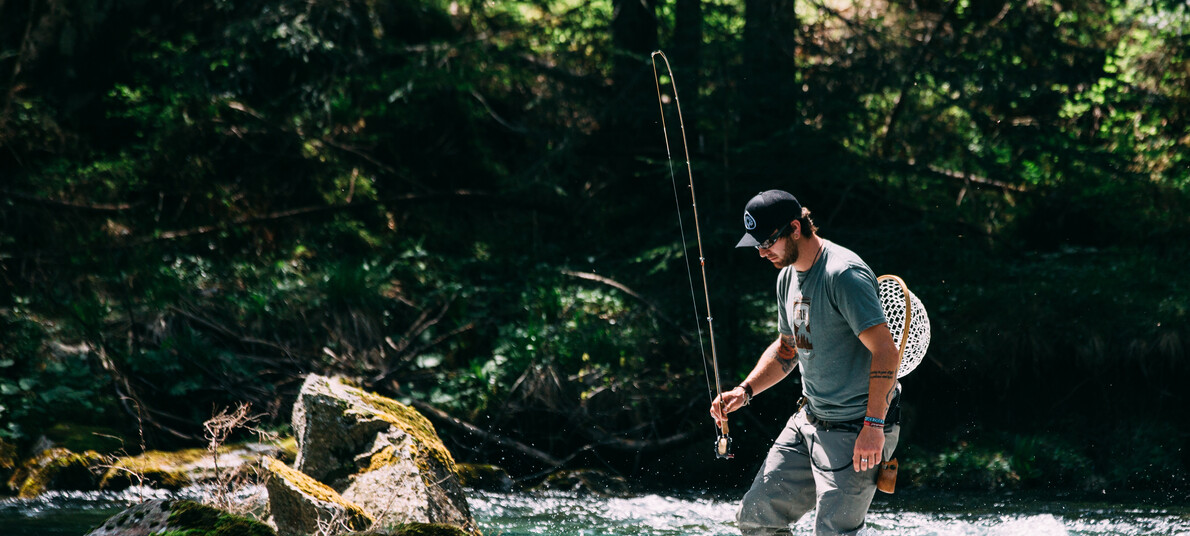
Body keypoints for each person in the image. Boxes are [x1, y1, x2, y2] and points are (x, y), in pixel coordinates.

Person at [710, 190, 902, 536]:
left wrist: (873, 426)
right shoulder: (786, 277)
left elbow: (886, 351)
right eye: (756, 244)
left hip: (859, 428)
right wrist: (745, 391)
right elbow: (788, 349)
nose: (761, 252)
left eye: (767, 242)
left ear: (795, 229)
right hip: (808, 422)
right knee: (756, 518)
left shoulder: (843, 274)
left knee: (833, 532)